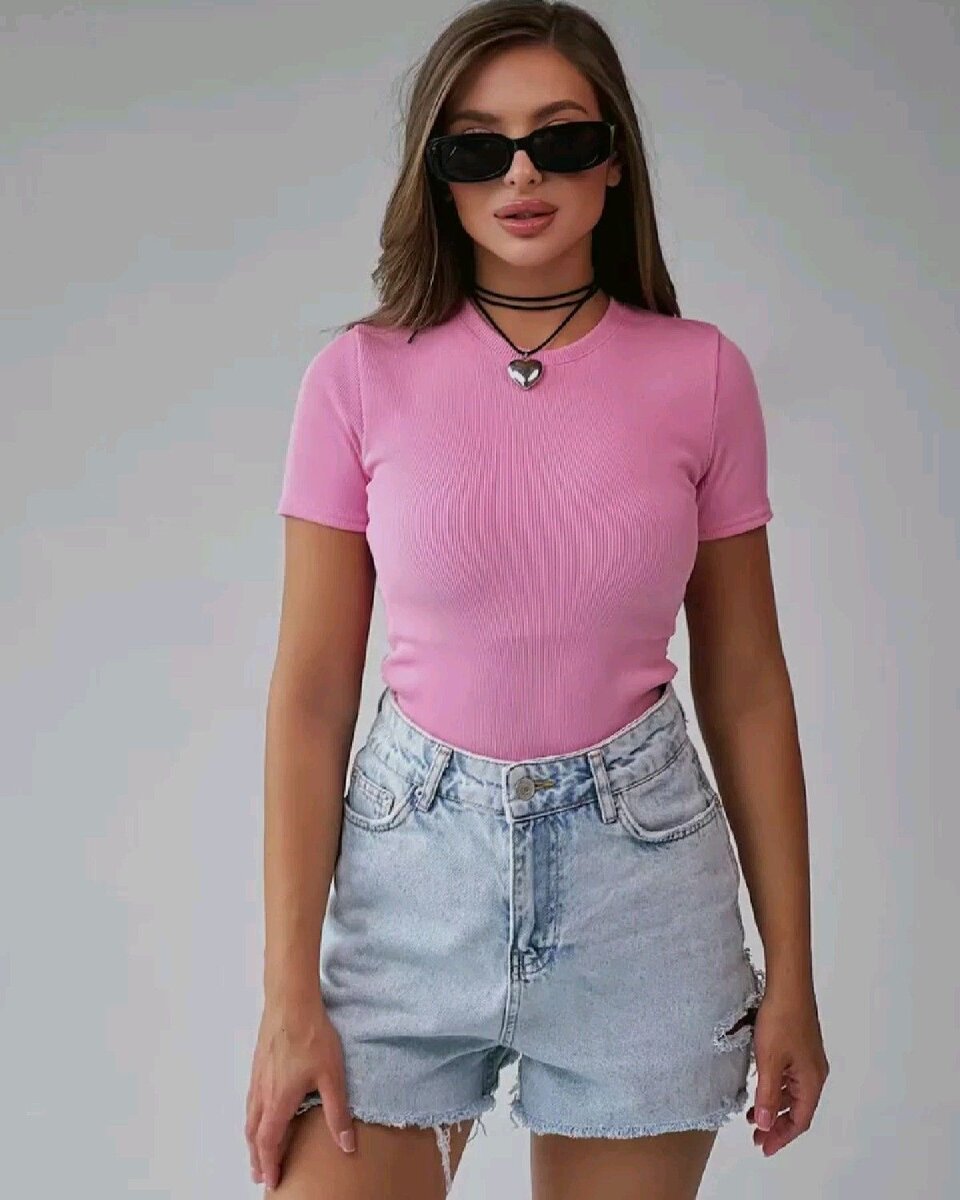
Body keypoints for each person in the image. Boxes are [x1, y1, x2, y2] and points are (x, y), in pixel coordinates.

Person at [245, 2, 829, 1196]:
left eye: (560, 139)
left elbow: (748, 687)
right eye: (479, 146)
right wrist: (287, 993)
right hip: (410, 890)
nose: (521, 174)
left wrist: (795, 977)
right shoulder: (357, 378)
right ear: (438, 171)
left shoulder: (701, 375)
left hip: (643, 894)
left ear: (614, 162)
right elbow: (309, 697)